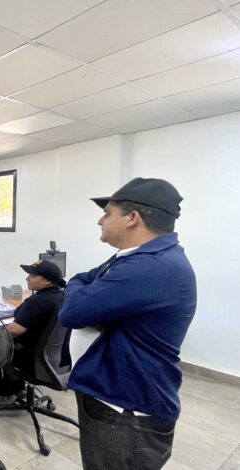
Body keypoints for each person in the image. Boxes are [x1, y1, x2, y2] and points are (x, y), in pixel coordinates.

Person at [58, 177, 196, 470]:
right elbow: (80, 279)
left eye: (108, 213)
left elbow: (71, 312)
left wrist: (78, 292)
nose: (100, 220)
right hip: (115, 397)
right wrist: (78, 288)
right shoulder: (133, 258)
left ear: (133, 218)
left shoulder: (151, 267)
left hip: (124, 413)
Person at [0, 260, 66, 402]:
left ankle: (0, 393)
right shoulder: (62, 296)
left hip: (30, 359)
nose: (27, 278)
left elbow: (13, 332)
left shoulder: (37, 301)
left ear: (47, 281)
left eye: (32, 276)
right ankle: (17, 389)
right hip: (52, 358)